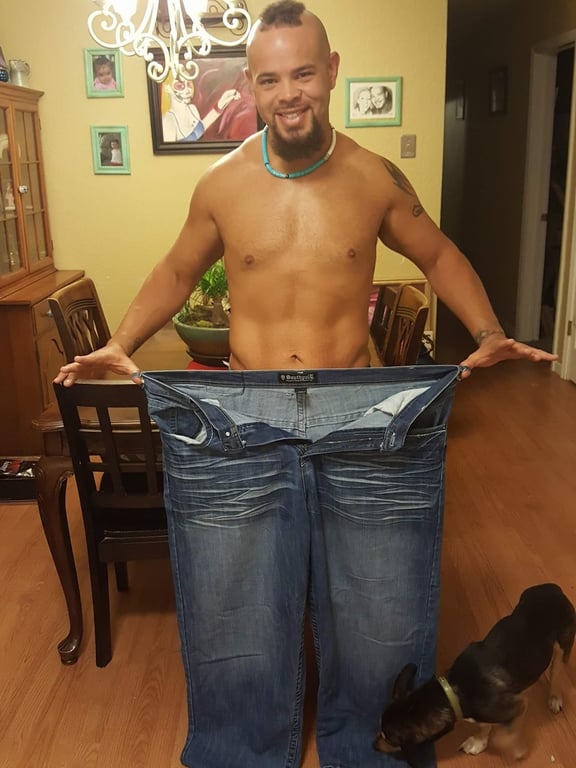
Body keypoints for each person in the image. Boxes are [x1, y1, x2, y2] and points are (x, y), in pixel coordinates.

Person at [56, 3, 556, 767]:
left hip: (355, 415)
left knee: (373, 601)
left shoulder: (374, 178)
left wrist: (488, 332)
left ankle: (373, 744)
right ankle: (244, 748)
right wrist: (120, 343)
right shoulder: (222, 184)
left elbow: (439, 254)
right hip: (246, 419)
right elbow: (177, 270)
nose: (288, 93)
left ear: (331, 71)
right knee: (240, 600)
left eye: (303, 73)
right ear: (250, 86)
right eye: (270, 79)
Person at [162, 77, 241, 142]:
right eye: (180, 86)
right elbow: (169, 154)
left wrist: (224, 99)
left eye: (188, 84)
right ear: (167, 88)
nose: (188, 90)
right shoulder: (168, 120)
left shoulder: (192, 109)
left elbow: (202, 127)